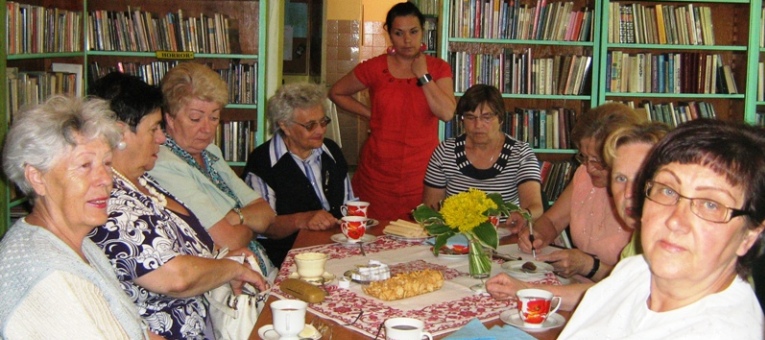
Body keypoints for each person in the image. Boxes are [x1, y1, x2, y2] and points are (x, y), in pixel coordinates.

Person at [87, 72, 268, 339]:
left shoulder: (144, 182)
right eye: (154, 129)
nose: (161, 138)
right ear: (120, 133)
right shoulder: (110, 199)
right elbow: (176, 277)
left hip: (211, 321)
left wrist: (224, 257)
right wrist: (231, 268)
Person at [558, 119, 765, 338]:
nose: (675, 220)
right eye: (667, 190)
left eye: (710, 205)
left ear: (749, 237)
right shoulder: (635, 269)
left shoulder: (720, 332)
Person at [0, 95, 150, 339]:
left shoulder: (77, 243)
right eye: (84, 166)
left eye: (107, 163)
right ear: (37, 177)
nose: (105, 179)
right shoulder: (52, 279)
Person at [486, 122, 669, 310]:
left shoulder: (671, 241)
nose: (628, 193)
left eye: (640, 177)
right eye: (621, 178)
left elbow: (616, 294)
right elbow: (614, 290)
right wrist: (526, 289)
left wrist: (587, 266)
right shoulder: (641, 236)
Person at [329, 1, 456, 221]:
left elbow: (447, 113)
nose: (407, 40)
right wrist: (370, 114)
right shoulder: (375, 67)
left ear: (422, 31)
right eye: (399, 33)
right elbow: (337, 93)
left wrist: (423, 76)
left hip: (423, 175)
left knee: (420, 240)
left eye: (413, 32)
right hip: (377, 175)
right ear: (388, 33)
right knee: (372, 238)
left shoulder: (437, 68)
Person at [149, 62, 277, 277]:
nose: (207, 129)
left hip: (261, 269)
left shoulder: (211, 152)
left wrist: (234, 218)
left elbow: (267, 214)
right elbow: (228, 241)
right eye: (195, 118)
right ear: (169, 119)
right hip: (227, 285)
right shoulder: (164, 164)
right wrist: (249, 224)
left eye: (214, 117)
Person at [517, 102, 644, 281]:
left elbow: (635, 284)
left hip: (612, 297)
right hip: (576, 287)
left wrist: (588, 266)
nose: (590, 168)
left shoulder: (639, 198)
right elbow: (553, 221)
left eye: (599, 161)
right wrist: (537, 236)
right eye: (584, 157)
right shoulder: (584, 175)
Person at [242, 83, 355, 267]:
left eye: (323, 121)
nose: (320, 130)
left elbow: (348, 205)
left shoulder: (332, 152)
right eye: (310, 125)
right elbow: (264, 227)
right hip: (288, 260)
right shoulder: (263, 163)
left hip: (335, 251)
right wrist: (302, 220)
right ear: (285, 126)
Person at [423, 84, 543, 229]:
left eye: (487, 117)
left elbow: (535, 207)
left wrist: (523, 215)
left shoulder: (520, 154)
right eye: (470, 117)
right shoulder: (445, 152)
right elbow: (431, 210)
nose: (478, 125)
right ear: (462, 120)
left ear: (500, 119)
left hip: (505, 235)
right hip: (456, 236)